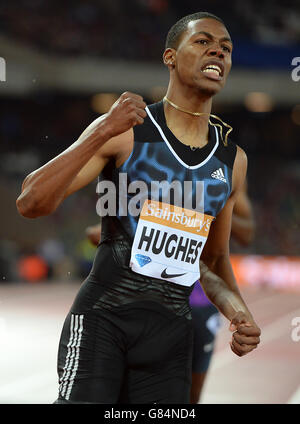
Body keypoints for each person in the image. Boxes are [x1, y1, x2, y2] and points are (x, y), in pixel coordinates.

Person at [16, 12, 261, 404]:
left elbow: (212, 262)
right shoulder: (126, 130)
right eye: (202, 41)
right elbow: (30, 201)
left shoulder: (232, 161)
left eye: (226, 47)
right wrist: (100, 130)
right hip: (103, 322)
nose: (218, 49)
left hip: (171, 338)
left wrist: (238, 312)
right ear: (170, 57)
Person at [85, 181, 255, 404]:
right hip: (144, 302)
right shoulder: (148, 163)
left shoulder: (226, 169)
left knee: (188, 400)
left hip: (198, 302)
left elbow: (247, 233)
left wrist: (204, 214)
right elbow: (96, 234)